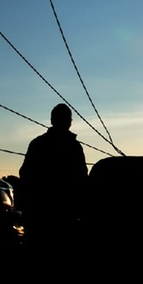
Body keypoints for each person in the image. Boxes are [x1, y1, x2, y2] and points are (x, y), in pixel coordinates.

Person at [19, 103, 89, 258]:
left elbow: (25, 175)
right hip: (62, 215)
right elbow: (82, 180)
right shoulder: (73, 147)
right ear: (69, 122)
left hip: (42, 214)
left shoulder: (38, 144)